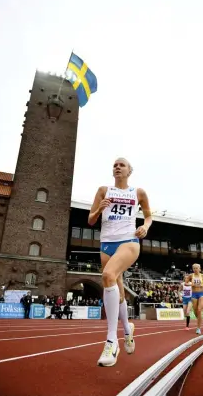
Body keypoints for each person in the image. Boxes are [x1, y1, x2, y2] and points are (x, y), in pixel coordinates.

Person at [88, 157, 152, 367]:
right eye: (114, 164)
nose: (117, 167)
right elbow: (90, 219)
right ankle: (127, 330)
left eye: (121, 165)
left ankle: (111, 341)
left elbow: (149, 216)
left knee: (107, 276)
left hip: (129, 241)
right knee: (119, 289)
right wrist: (100, 209)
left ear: (128, 171)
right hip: (107, 244)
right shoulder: (103, 190)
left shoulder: (138, 193)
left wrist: (145, 227)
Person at [187, 264, 203, 334]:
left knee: (199, 309)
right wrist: (191, 284)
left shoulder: (202, 276)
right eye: (194, 268)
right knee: (195, 311)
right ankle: (199, 319)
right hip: (194, 294)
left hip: (201, 294)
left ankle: (198, 328)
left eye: (197, 268)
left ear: (199, 269)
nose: (195, 269)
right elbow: (185, 283)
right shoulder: (191, 275)